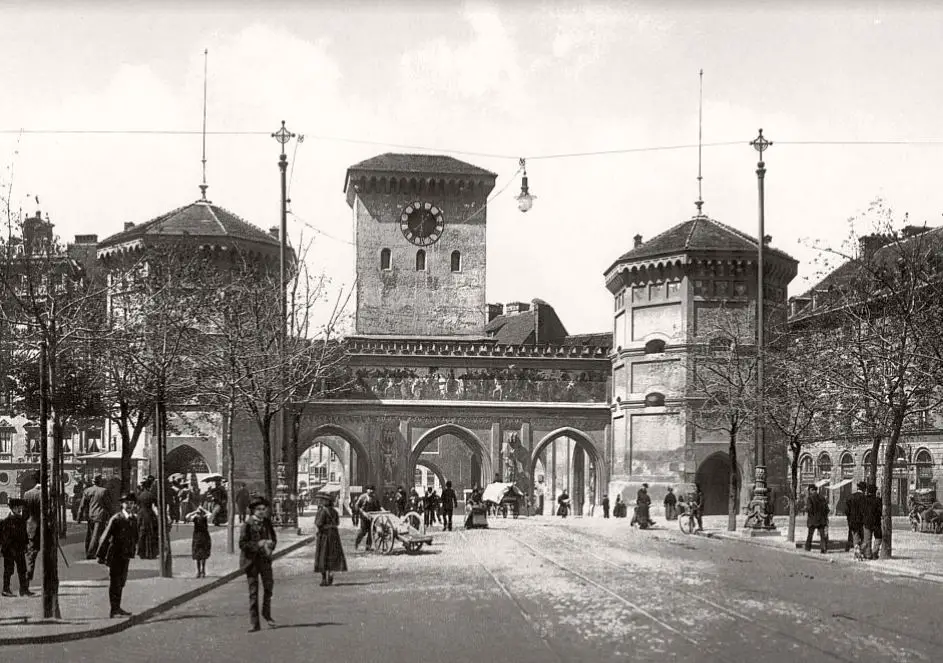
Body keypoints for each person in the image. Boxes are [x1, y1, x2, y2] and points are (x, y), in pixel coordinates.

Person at [97, 492, 139, 618]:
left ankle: (118, 607)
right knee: (115, 582)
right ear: (122, 504)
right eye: (127, 503)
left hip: (125, 555)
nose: (130, 505)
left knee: (121, 581)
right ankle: (113, 610)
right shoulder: (116, 518)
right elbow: (105, 536)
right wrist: (100, 555)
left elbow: (134, 537)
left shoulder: (133, 518)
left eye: (132, 503)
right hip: (114, 554)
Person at [239, 496, 277, 632]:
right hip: (251, 562)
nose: (261, 511)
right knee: (253, 592)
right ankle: (254, 623)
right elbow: (242, 544)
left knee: (268, 588)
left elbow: (274, 537)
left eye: (263, 509)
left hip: (265, 560)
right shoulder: (247, 525)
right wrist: (258, 544)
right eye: (258, 509)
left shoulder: (267, 523)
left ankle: (267, 614)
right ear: (253, 511)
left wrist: (271, 545)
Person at [313, 492, 347, 587]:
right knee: (332, 555)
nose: (320, 501)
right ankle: (331, 574)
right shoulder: (334, 511)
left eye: (322, 500)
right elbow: (337, 523)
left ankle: (324, 579)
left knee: (322, 556)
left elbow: (318, 523)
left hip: (324, 536)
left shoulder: (322, 511)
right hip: (334, 535)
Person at [1, 498, 32, 597]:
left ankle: (24, 589)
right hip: (10, 550)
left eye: (21, 508)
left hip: (19, 549)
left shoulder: (21, 520)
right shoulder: (7, 521)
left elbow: (24, 534)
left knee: (22, 569)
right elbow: (3, 537)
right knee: (9, 570)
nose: (20, 510)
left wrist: (26, 545)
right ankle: (5, 589)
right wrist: (3, 549)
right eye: (18, 508)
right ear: (13, 508)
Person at [79, 475, 114, 560]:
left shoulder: (87, 490)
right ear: (100, 481)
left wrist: (79, 517)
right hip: (100, 516)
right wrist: (112, 515)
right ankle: (91, 554)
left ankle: (89, 550)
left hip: (91, 515)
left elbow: (82, 505)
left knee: (90, 534)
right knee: (96, 535)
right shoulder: (103, 491)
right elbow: (108, 505)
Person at [22, 473, 41, 583]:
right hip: (44, 527)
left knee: (31, 552)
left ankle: (28, 575)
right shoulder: (46, 493)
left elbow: (24, 514)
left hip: (31, 526)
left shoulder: (27, 494)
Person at [136, 476, 160, 559]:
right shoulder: (151, 495)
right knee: (151, 533)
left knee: (142, 533)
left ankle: (141, 552)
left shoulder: (140, 495)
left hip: (141, 514)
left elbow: (137, 504)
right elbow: (157, 504)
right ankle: (150, 552)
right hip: (149, 514)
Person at [186, 505, 212, 578]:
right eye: (198, 513)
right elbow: (187, 516)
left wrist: (203, 510)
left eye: (200, 513)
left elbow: (211, 514)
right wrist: (195, 512)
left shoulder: (204, 518)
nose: (199, 514)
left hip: (203, 536)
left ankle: (202, 570)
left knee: (202, 555)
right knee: (198, 555)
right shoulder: (195, 518)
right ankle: (199, 571)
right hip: (199, 537)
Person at [804, 485, 829, 554]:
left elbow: (809, 509)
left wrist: (806, 509)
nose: (809, 492)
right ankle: (823, 549)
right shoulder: (822, 497)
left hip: (813, 520)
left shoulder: (810, 498)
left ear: (811, 490)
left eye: (809, 490)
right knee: (822, 535)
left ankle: (808, 548)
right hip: (821, 520)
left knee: (810, 535)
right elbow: (827, 509)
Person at [354, 485, 380, 550]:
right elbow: (357, 506)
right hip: (364, 517)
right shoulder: (362, 497)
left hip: (372, 517)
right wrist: (363, 512)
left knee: (371, 532)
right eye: (370, 489)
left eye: (372, 490)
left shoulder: (375, 498)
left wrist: (383, 510)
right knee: (363, 531)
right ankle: (357, 543)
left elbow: (379, 506)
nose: (371, 491)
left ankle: (368, 547)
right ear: (367, 490)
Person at [845, 481, 867, 557]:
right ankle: (861, 551)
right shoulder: (865, 498)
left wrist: (849, 517)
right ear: (864, 489)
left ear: (858, 488)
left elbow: (846, 510)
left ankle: (856, 549)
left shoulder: (850, 497)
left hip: (852, 520)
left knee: (855, 535)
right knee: (863, 536)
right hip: (862, 520)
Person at [861, 483, 882, 560]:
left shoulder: (864, 500)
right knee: (878, 537)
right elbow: (880, 511)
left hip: (866, 522)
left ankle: (868, 554)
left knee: (867, 539)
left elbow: (861, 510)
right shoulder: (878, 500)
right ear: (875, 491)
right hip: (876, 522)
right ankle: (875, 552)